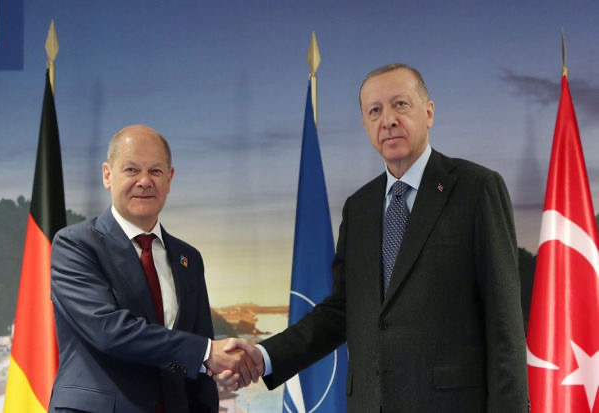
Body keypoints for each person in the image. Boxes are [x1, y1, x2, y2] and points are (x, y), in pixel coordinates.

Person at [222, 64, 529, 412]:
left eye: (400, 104)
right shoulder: (359, 208)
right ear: (366, 125)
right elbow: (340, 311)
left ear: (429, 112)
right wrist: (265, 356)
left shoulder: (476, 188)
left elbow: (504, 320)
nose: (388, 120)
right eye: (375, 111)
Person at [49, 125, 261, 413]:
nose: (145, 181)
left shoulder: (188, 258)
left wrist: (208, 362)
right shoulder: (75, 245)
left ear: (169, 179)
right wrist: (206, 352)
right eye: (132, 170)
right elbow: (109, 331)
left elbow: (198, 361)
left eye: (156, 171)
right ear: (107, 175)